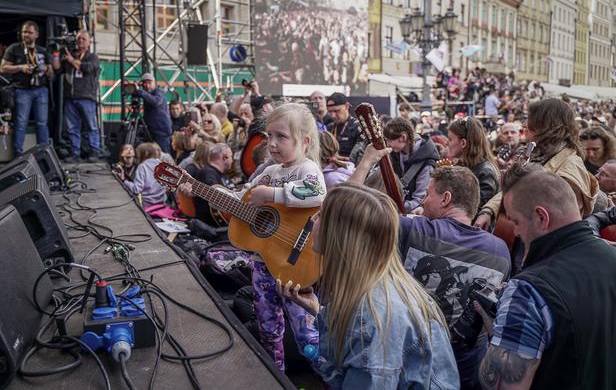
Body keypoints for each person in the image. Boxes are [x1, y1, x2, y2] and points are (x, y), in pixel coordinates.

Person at [350, 144, 511, 389]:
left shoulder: (411, 230)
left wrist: (365, 162)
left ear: (446, 199)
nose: (423, 202)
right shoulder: (501, 252)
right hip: (468, 372)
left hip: (412, 367)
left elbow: (346, 212)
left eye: (428, 194)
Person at [184, 103, 326, 371]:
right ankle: (276, 377)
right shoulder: (269, 171)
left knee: (306, 332)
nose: (272, 144)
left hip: (297, 265)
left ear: (304, 141)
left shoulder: (307, 169)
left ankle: (325, 377)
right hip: (263, 266)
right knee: (268, 329)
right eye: (269, 136)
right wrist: (200, 190)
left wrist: (273, 195)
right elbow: (240, 200)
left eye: (281, 137)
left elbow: (318, 192)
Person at [277, 184, 459, 388]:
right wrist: (317, 309)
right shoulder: (382, 290)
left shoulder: (373, 318)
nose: (312, 220)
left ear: (340, 233)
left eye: (320, 216)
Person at [477, 165, 616, 390]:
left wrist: (498, 332)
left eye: (515, 221)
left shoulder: (527, 290)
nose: (515, 233)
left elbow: (503, 384)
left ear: (541, 217)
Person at [475, 98, 598, 231]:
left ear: (545, 126)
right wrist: (488, 210)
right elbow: (512, 191)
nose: (526, 125)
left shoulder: (571, 166)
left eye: (531, 120)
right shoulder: (538, 154)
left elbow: (554, 221)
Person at [0, 20, 53, 155]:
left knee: (42, 123)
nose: (26, 35)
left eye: (29, 32)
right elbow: (3, 68)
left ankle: (44, 153)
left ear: (36, 34)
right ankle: (18, 154)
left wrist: (46, 68)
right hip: (22, 90)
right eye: (24, 32)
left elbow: (52, 72)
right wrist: (21, 67)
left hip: (40, 89)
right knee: (21, 123)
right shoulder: (14, 48)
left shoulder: (42, 50)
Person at [56, 30, 100, 163]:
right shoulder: (70, 56)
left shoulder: (93, 57)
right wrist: (55, 54)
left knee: (91, 126)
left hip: (87, 96)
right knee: (72, 127)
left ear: (89, 43)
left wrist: (71, 60)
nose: (80, 41)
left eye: (83, 39)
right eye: (78, 39)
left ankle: (94, 151)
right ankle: (75, 152)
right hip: (71, 97)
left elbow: (87, 68)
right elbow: (57, 69)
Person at [383, 117, 439, 213]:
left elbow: (419, 200)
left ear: (403, 138)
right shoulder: (395, 152)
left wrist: (389, 206)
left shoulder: (427, 164)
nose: (387, 144)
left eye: (389, 140)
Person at [446, 117, 500, 211]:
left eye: (450, 139)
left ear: (463, 143)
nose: (446, 143)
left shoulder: (486, 172)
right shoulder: (462, 166)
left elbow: (474, 211)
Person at [191, 143, 236, 227]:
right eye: (231, 157)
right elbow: (216, 196)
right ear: (224, 156)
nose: (232, 160)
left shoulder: (222, 175)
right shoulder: (207, 172)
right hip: (213, 227)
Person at [117, 142, 166, 207]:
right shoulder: (161, 164)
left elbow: (136, 189)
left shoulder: (142, 167)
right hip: (162, 203)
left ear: (145, 153)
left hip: (148, 204)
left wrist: (124, 180)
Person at [133, 73, 172, 153]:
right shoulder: (146, 94)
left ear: (155, 82)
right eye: (145, 84)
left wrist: (140, 91)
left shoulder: (159, 91)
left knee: (162, 155)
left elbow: (156, 101)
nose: (147, 86)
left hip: (161, 131)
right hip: (151, 129)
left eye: (149, 83)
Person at [325, 92, 363, 162]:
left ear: (346, 106)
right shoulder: (328, 128)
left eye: (337, 111)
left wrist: (339, 159)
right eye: (330, 112)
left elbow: (359, 159)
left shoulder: (359, 127)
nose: (333, 115)